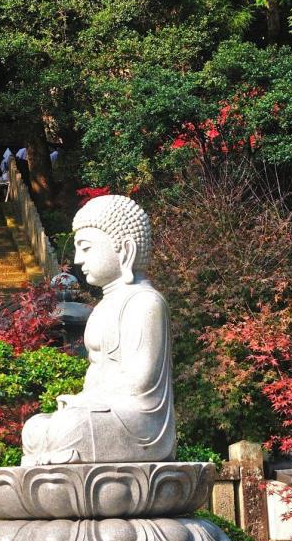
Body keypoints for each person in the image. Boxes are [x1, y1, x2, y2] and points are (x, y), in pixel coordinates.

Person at [20, 195, 176, 465]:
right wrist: (82, 400)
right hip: (98, 411)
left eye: (86, 248)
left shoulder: (145, 302)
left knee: (69, 426)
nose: (78, 260)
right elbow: (96, 373)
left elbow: (141, 380)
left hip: (138, 422)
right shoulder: (103, 307)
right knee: (35, 427)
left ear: (125, 250)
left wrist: (87, 402)